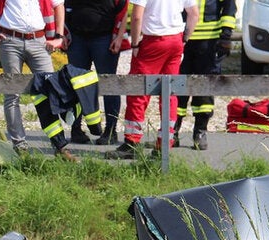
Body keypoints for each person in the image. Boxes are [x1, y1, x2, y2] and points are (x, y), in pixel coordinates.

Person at [0, 0, 77, 161]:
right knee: (12, 95)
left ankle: (59, 146)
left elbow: (59, 5)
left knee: (50, 92)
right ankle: (19, 146)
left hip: (39, 40)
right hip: (9, 40)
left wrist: (59, 36)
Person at [106, 0, 199, 160]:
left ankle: (131, 143)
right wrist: (184, 40)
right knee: (170, 93)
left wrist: (135, 45)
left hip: (153, 41)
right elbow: (194, 14)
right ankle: (165, 144)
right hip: (175, 41)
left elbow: (136, 17)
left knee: (138, 90)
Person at [172, 0, 237, 151]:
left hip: (209, 41)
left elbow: (229, 7)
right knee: (177, 86)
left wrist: (226, 36)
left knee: (204, 89)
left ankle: (200, 131)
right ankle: (172, 131)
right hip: (180, 38)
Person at [65, 0, 129, 146]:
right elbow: (62, 6)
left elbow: (124, 9)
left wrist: (119, 36)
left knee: (109, 85)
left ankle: (111, 131)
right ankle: (76, 130)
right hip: (77, 38)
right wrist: (63, 33)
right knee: (76, 84)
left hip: (104, 38)